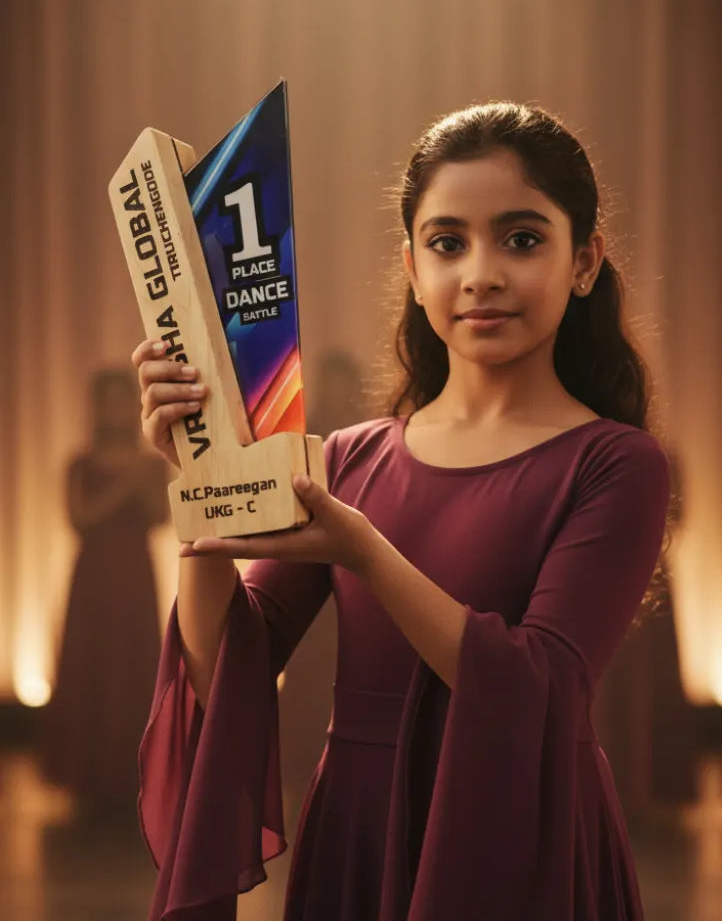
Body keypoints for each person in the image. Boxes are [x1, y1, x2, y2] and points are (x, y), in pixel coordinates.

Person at [131, 101, 671, 920]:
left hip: (523, 845)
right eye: (448, 242)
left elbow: (542, 690)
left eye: (522, 239)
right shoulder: (352, 457)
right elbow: (228, 665)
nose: (479, 274)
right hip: (359, 832)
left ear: (586, 260)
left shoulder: (616, 464)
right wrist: (200, 477)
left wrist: (365, 552)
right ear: (414, 270)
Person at [42, 368, 168, 815]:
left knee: (134, 667)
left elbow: (162, 517)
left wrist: (146, 479)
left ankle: (132, 775)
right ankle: (87, 777)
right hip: (94, 580)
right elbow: (80, 517)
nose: (115, 409)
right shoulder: (81, 462)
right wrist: (124, 486)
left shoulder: (151, 463)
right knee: (91, 664)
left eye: (121, 400)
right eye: (108, 400)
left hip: (134, 578)